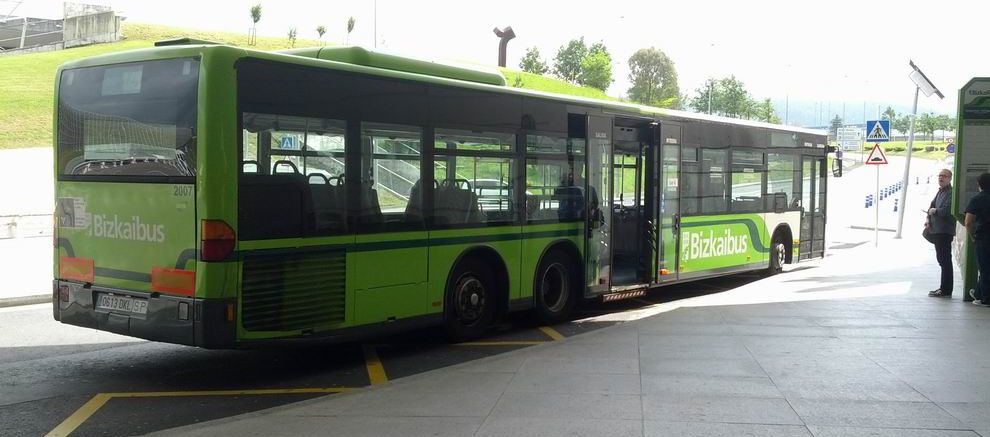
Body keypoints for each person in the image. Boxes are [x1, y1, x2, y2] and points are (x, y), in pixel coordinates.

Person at [928, 169, 956, 297]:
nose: (941, 178)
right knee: (942, 260)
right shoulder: (941, 191)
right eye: (939, 175)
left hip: (944, 231)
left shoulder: (951, 192)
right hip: (937, 230)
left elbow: (946, 210)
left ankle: (945, 290)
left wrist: (935, 211)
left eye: (944, 176)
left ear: (950, 178)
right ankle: (943, 288)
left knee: (945, 261)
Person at [965, 172, 990, 304]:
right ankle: (978, 293)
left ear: (979, 184)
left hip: (983, 238)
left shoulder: (977, 199)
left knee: (984, 268)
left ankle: (986, 298)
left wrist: (972, 236)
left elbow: (968, 222)